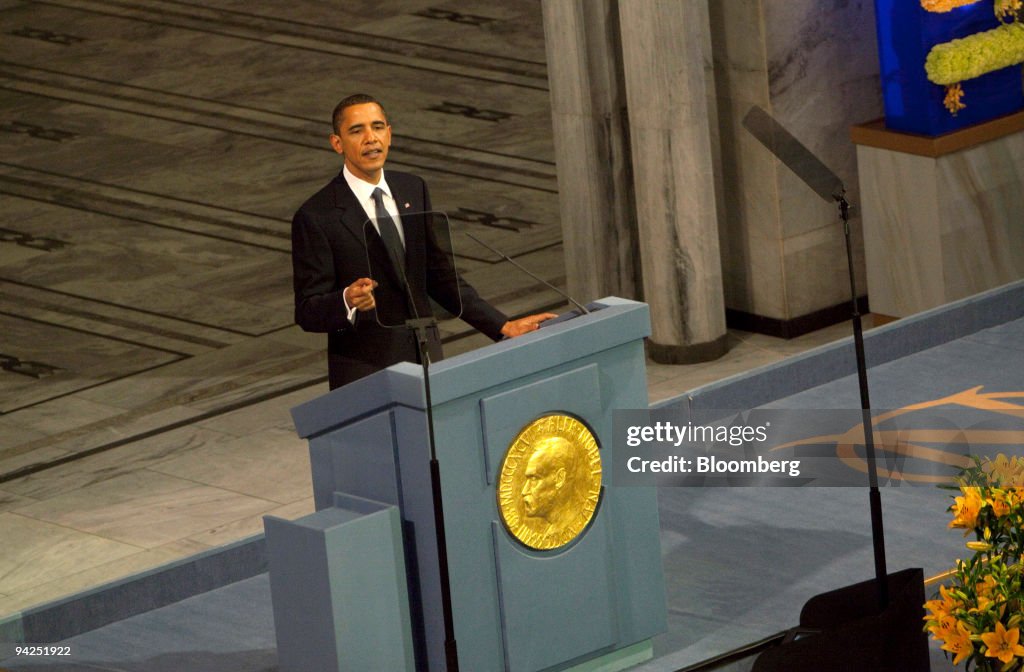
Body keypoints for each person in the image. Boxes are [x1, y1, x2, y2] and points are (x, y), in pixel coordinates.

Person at [291, 94, 556, 389]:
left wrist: (502, 326)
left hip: (427, 363)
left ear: (389, 135)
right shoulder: (317, 215)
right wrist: (347, 300)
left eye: (377, 127)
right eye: (357, 130)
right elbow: (307, 310)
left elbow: (439, 276)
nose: (370, 138)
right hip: (366, 377)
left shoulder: (412, 188)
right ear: (337, 143)